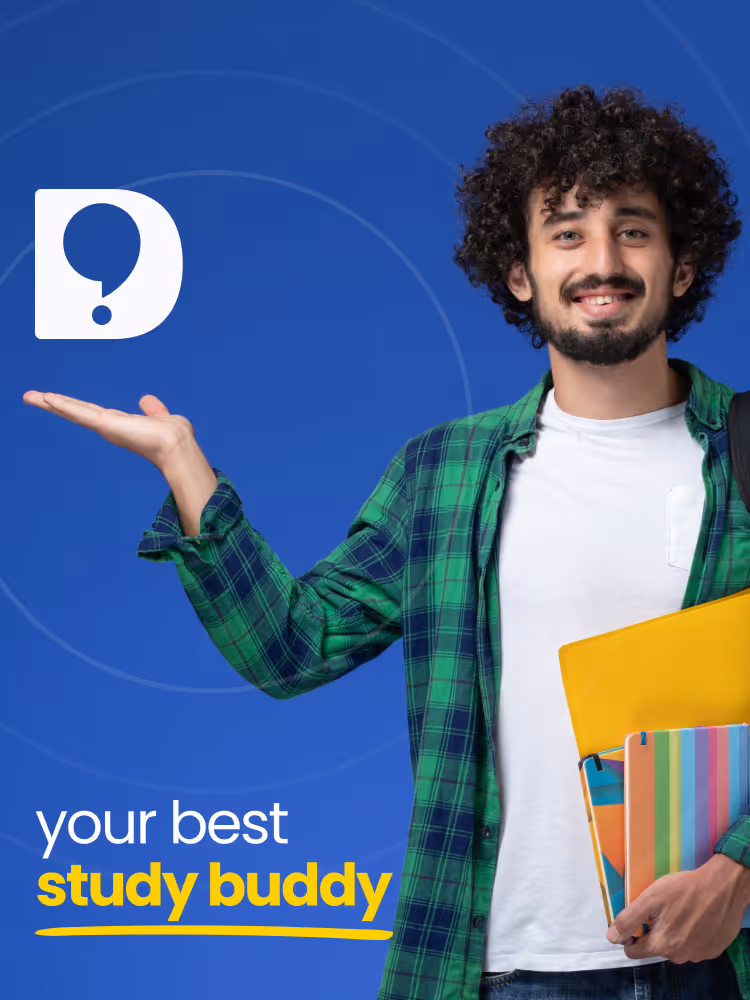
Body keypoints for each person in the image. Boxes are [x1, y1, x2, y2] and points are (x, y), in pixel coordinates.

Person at [23, 84, 750, 1000]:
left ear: (684, 264)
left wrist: (740, 867)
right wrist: (185, 469)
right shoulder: (441, 475)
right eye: (566, 232)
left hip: (718, 970)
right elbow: (293, 647)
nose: (600, 261)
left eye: (633, 229)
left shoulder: (746, 456)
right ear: (520, 272)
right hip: (490, 970)